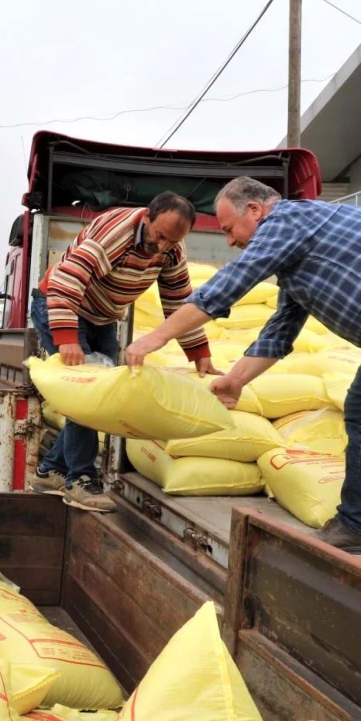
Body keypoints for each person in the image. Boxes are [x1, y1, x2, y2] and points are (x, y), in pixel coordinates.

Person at [126, 176, 361, 555]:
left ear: (255, 210)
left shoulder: (285, 221)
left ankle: (355, 525)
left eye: (230, 229)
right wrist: (235, 380)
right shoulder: (300, 248)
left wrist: (158, 337)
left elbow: (230, 283)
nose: (230, 241)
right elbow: (281, 330)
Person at [31, 192, 221, 512]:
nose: (161, 247)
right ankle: (80, 479)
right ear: (147, 216)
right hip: (62, 306)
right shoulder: (114, 233)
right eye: (159, 236)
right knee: (90, 393)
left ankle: (51, 471)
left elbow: (179, 300)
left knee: (101, 395)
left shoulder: (171, 248)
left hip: (101, 317)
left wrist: (198, 351)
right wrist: (66, 338)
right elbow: (66, 281)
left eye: (171, 242)